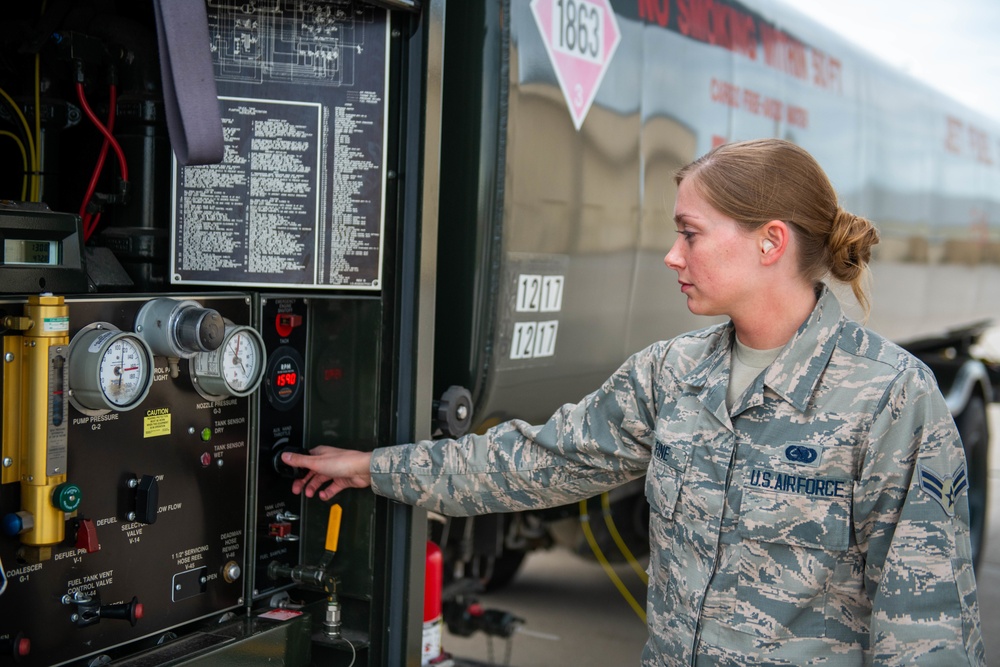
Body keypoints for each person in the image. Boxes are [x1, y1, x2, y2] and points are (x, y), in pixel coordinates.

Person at [283, 138, 986, 665]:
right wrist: (378, 466)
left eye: (690, 233)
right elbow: (535, 462)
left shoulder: (890, 398)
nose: (671, 256)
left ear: (771, 241)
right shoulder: (671, 374)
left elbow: (926, 624)